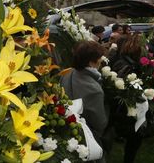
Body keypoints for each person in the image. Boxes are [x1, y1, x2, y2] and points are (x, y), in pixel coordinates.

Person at [60, 41, 109, 162]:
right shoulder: (94, 89)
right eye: (98, 58)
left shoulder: (67, 73)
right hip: (87, 136)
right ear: (91, 62)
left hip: (65, 129)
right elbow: (99, 123)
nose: (100, 61)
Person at [109, 34, 145, 163]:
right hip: (126, 106)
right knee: (135, 136)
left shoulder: (120, 59)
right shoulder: (128, 64)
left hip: (119, 105)